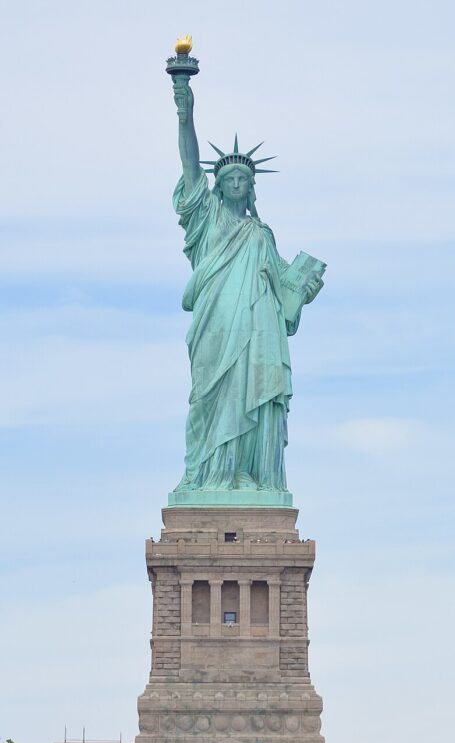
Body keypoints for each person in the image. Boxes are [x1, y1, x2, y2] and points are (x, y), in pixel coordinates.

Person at [170, 76, 325, 499]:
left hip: (259, 333)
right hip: (216, 326)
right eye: (229, 178)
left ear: (251, 189)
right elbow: (189, 166)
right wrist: (185, 113)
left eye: (244, 178)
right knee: (212, 397)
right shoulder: (207, 220)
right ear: (217, 187)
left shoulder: (262, 234)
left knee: (251, 393)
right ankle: (209, 475)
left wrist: (304, 286)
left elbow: (285, 288)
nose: (237, 183)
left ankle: (249, 475)